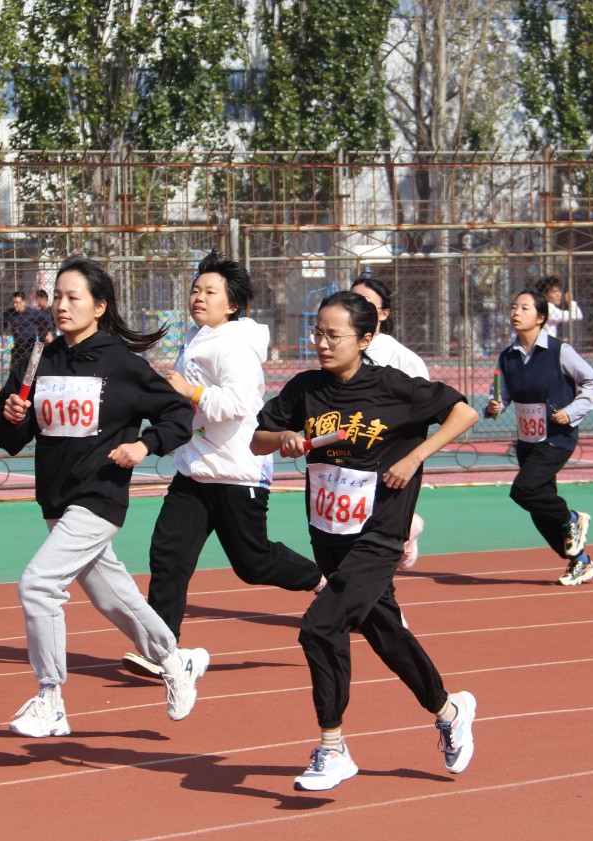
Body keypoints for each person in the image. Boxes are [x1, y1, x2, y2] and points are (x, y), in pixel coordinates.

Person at [252, 290, 480, 792]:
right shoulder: (306, 388)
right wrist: (283, 439)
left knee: (320, 626)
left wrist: (414, 457)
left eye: (334, 335)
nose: (322, 343)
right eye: (317, 333)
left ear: (365, 338)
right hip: (329, 532)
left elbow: (464, 413)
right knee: (385, 634)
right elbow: (257, 439)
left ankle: (332, 748)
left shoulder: (394, 387)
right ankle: (449, 710)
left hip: (380, 532)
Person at [0, 255, 209, 737]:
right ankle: (176, 660)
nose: (61, 306)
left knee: (38, 585)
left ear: (99, 306)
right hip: (56, 500)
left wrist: (144, 445)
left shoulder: (122, 365)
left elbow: (178, 415)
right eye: (57, 296)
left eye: (74, 297)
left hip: (100, 496)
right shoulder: (38, 360)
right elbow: (10, 438)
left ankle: (50, 698)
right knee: (115, 598)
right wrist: (12, 417)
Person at [121, 251, 324, 680]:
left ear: (231, 304)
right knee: (168, 555)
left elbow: (240, 404)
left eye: (210, 292)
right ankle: (163, 652)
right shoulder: (195, 338)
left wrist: (190, 392)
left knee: (253, 563)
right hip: (195, 471)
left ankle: (326, 584)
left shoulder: (234, 345)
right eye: (196, 289)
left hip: (237, 471)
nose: (199, 297)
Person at [484, 288, 593, 587]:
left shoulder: (559, 351)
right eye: (514, 307)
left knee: (524, 490)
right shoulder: (507, 356)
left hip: (557, 436)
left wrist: (572, 411)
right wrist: (495, 405)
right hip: (528, 440)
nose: (516, 313)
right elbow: (501, 394)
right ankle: (580, 561)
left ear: (540, 318)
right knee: (538, 509)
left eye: (524, 308)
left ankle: (572, 518)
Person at [349, 275, 428, 569]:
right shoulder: (338, 348)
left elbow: (426, 410)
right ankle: (408, 526)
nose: (356, 306)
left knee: (373, 540)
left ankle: (404, 528)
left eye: (365, 302)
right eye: (351, 299)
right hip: (346, 451)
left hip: (386, 454)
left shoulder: (402, 358)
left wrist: (411, 457)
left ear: (383, 314)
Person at [2, 290, 44, 370]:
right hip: (18, 346)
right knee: (14, 371)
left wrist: (46, 332)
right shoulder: (10, 313)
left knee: (31, 372)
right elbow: (4, 320)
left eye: (17, 302)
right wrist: (4, 332)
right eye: (13, 303)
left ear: (24, 302)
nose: (15, 305)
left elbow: (44, 320)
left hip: (31, 347)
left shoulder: (32, 312)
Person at [539, 276, 583, 340]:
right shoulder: (548, 308)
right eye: (554, 292)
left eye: (559, 291)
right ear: (544, 294)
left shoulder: (542, 306)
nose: (558, 295)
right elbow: (577, 315)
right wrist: (571, 302)